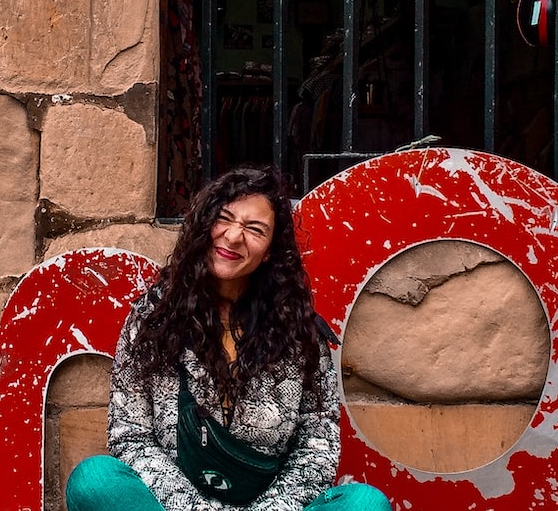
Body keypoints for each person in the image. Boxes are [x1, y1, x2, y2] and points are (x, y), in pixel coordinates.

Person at [66, 167, 392, 511]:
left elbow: (317, 441)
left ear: (268, 251)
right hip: (172, 506)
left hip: (269, 504)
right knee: (94, 480)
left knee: (364, 504)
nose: (234, 237)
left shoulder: (298, 331)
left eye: (254, 229)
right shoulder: (154, 318)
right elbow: (131, 436)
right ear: (205, 225)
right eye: (224, 219)